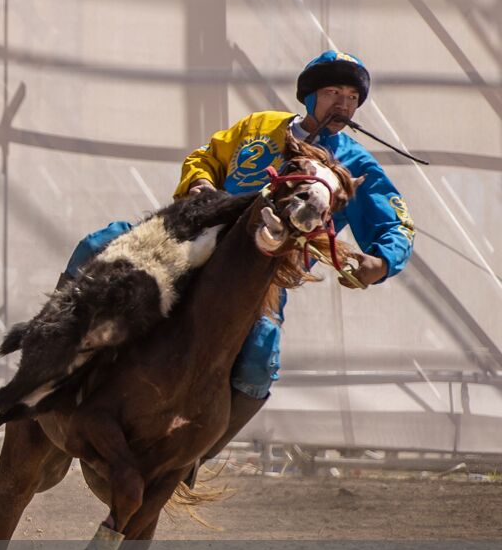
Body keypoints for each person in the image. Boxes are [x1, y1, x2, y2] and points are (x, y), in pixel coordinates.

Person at [65, 50, 415, 479]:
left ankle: (191, 455)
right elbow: (207, 155)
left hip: (262, 276)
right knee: (96, 245)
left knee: (260, 359)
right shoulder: (259, 127)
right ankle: (51, 358)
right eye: (332, 92)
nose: (343, 104)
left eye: (351, 96)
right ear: (309, 97)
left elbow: (396, 223)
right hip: (196, 235)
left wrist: (381, 261)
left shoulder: (355, 165)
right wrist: (200, 182)